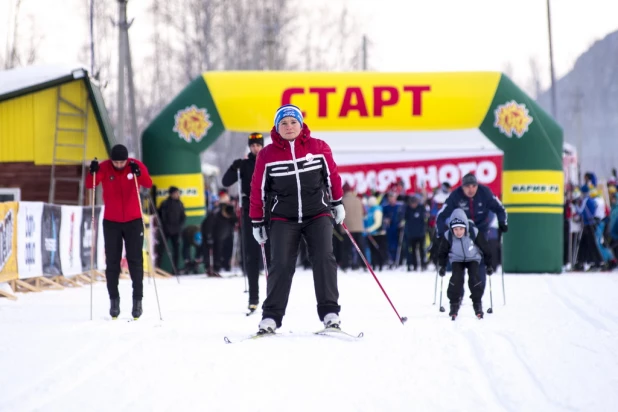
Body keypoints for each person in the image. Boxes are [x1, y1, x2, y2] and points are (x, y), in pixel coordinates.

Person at [249, 104, 345, 334]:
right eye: (283, 123)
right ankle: (271, 317)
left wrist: (338, 202)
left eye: (293, 122)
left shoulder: (319, 147)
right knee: (281, 263)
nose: (289, 127)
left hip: (317, 213)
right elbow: (257, 190)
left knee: (323, 257)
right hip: (284, 217)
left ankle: (330, 313)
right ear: (276, 127)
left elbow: (332, 176)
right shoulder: (267, 155)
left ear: (301, 125)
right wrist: (257, 221)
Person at [86, 144, 152, 319]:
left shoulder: (134, 164)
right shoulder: (105, 167)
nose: (119, 165)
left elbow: (148, 183)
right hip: (112, 222)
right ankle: (114, 301)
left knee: (135, 261)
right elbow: (90, 184)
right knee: (112, 263)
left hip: (133, 220)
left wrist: (140, 173)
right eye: (116, 162)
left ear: (127, 159)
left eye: (122, 162)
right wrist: (92, 172)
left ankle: (137, 301)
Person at [222, 132, 269, 311]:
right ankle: (254, 298)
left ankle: (273, 296)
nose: (256, 148)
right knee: (251, 255)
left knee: (271, 256)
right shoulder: (243, 164)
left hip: (268, 210)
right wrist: (233, 168)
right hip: (250, 212)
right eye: (253, 145)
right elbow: (226, 181)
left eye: (258, 145)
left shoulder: (268, 161)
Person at [436, 173, 507, 287]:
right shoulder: (455, 195)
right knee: (459, 259)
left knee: (480, 257)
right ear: (462, 187)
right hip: (461, 229)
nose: (471, 189)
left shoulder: (485, 192)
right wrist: (440, 233)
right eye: (467, 187)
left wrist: (502, 222)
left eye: (474, 186)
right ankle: (457, 293)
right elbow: (441, 215)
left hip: (481, 228)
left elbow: (499, 208)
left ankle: (478, 290)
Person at [437, 208, 494, 319]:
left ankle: (477, 303)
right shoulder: (448, 235)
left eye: (461, 229)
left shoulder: (473, 232)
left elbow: (485, 248)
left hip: (472, 258)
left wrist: (489, 264)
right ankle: (454, 304)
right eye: (456, 229)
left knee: (474, 278)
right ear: (451, 228)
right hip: (457, 259)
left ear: (465, 227)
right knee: (456, 278)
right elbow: (442, 252)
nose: (458, 232)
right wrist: (442, 266)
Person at [201, 203, 237, 276]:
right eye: (227, 215)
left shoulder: (230, 214)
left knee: (222, 252)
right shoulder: (214, 215)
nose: (228, 217)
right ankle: (210, 268)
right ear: (224, 212)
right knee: (212, 252)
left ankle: (220, 267)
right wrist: (209, 237)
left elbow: (234, 221)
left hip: (223, 236)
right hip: (212, 236)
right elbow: (208, 226)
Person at [157, 186, 186, 271]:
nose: (177, 195)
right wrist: (164, 226)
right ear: (171, 194)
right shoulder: (165, 203)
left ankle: (175, 268)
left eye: (178, 193)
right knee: (161, 249)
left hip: (176, 230)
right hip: (166, 230)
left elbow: (183, 216)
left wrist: (180, 226)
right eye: (175, 193)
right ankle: (158, 267)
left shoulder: (180, 204)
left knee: (176, 250)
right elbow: (160, 216)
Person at [341, 183, 365, 271]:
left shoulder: (342, 200)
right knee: (360, 247)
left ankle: (346, 265)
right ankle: (363, 264)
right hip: (359, 227)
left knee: (346, 248)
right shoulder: (358, 200)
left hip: (347, 229)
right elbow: (364, 213)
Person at [403, 194, 426, 271]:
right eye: (412, 203)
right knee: (412, 250)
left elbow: (425, 218)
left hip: (420, 233)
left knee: (421, 250)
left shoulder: (421, 208)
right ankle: (414, 265)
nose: (413, 205)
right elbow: (404, 218)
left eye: (414, 203)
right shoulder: (407, 209)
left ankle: (423, 264)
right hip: (411, 234)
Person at [364, 196, 387, 271]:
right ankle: (373, 265)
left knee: (379, 250)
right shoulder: (370, 210)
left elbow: (378, 223)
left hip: (379, 234)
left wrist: (369, 229)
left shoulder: (377, 210)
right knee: (372, 250)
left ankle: (380, 265)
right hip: (372, 234)